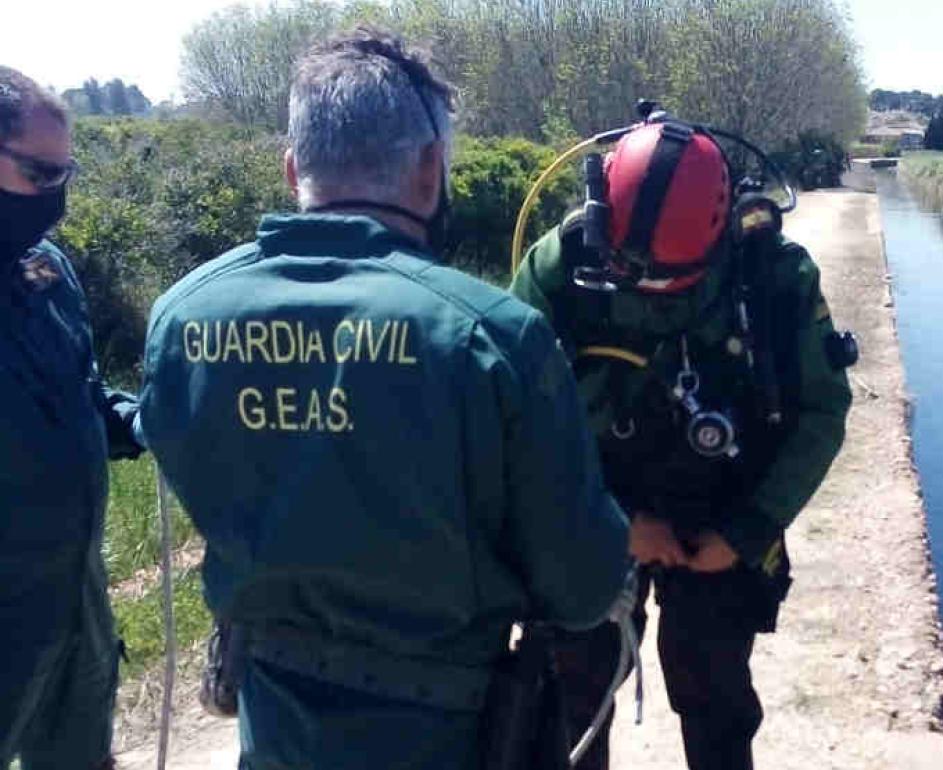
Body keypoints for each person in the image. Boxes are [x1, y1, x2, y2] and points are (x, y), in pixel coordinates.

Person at [138, 28, 631, 770]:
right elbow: (582, 585)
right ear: (431, 169)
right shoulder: (493, 336)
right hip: (449, 732)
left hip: (272, 723)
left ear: (291, 167)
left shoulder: (182, 315)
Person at [511, 117, 855, 770]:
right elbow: (514, 430)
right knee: (571, 688)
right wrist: (614, 526)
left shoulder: (774, 277)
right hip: (591, 507)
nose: (649, 292)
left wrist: (749, 531)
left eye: (671, 284)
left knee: (711, 684)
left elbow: (822, 409)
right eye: (630, 277)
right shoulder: (557, 268)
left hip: (724, 515)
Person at [0, 66, 144, 770]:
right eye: (38, 174)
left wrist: (145, 419)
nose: (57, 197)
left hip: (74, 598)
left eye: (67, 173)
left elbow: (82, 396)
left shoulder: (47, 271)